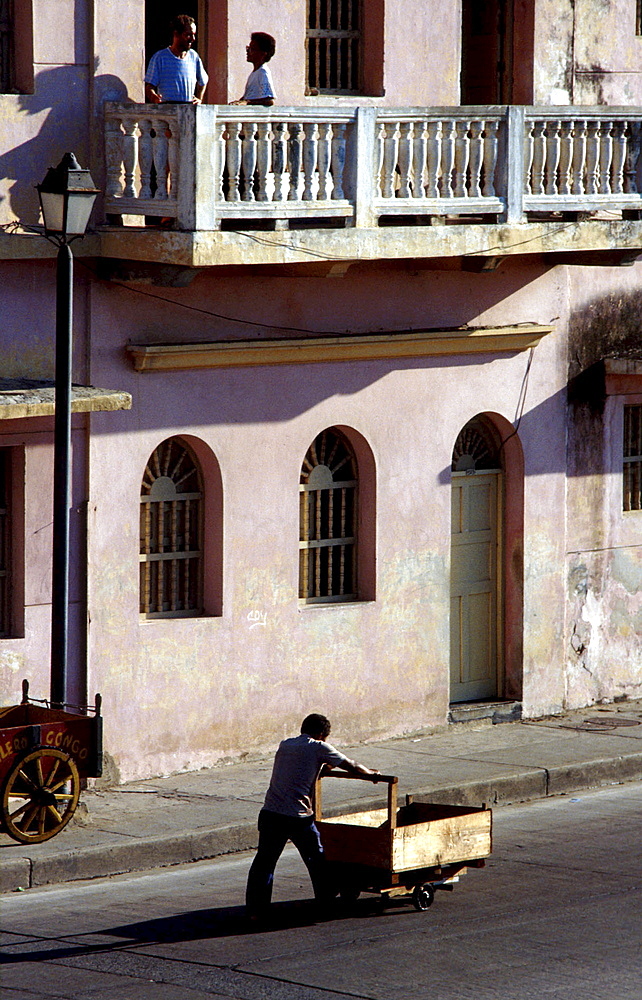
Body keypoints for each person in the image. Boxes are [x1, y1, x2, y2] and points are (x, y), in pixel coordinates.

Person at [245, 713, 379, 921]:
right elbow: (351, 765)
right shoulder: (319, 747)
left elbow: (304, 766)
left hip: (271, 812)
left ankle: (256, 909)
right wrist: (371, 774)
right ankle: (326, 901)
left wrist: (324, 765)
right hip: (297, 816)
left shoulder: (285, 745)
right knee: (317, 859)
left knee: (264, 862)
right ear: (320, 734)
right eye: (325, 737)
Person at [145, 14, 208, 105]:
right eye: (188, 35)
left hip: (188, 110)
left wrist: (199, 99)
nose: (193, 39)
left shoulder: (194, 57)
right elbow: (149, 87)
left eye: (194, 35)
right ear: (176, 34)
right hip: (168, 110)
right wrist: (154, 97)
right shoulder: (160, 58)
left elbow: (203, 81)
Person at [231, 32, 276, 106]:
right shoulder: (254, 73)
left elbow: (269, 101)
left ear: (263, 54)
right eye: (248, 48)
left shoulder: (263, 72)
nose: (248, 52)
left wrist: (247, 103)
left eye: (252, 49)